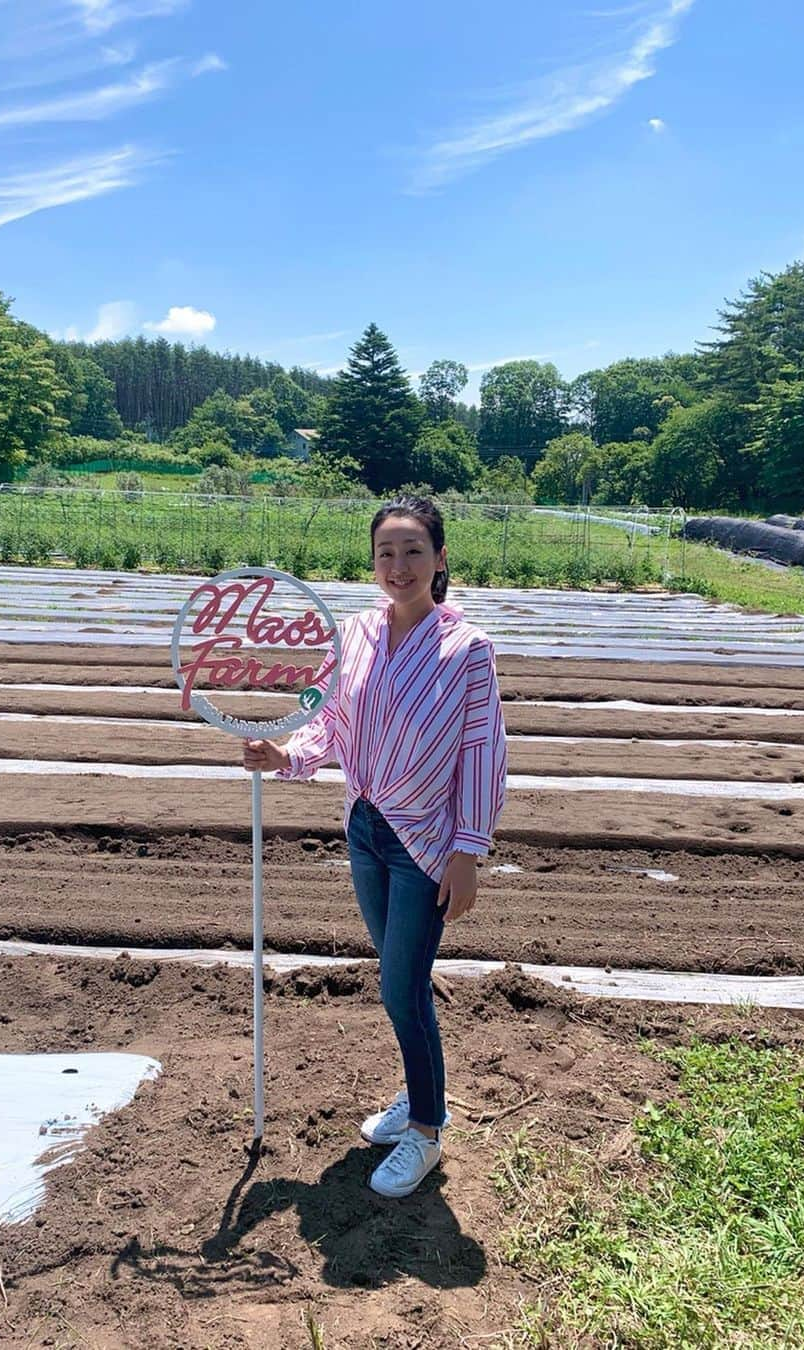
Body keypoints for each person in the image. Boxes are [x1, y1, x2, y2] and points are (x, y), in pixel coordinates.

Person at [243, 495, 507, 1198]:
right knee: (404, 984)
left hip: (426, 840)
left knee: (399, 985)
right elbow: (332, 722)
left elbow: (483, 753)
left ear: (440, 559)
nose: (399, 566)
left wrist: (468, 851)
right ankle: (423, 1101)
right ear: (372, 561)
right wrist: (285, 756)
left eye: (414, 551)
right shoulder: (354, 635)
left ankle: (424, 1132)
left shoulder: (467, 650)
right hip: (365, 826)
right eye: (386, 552)